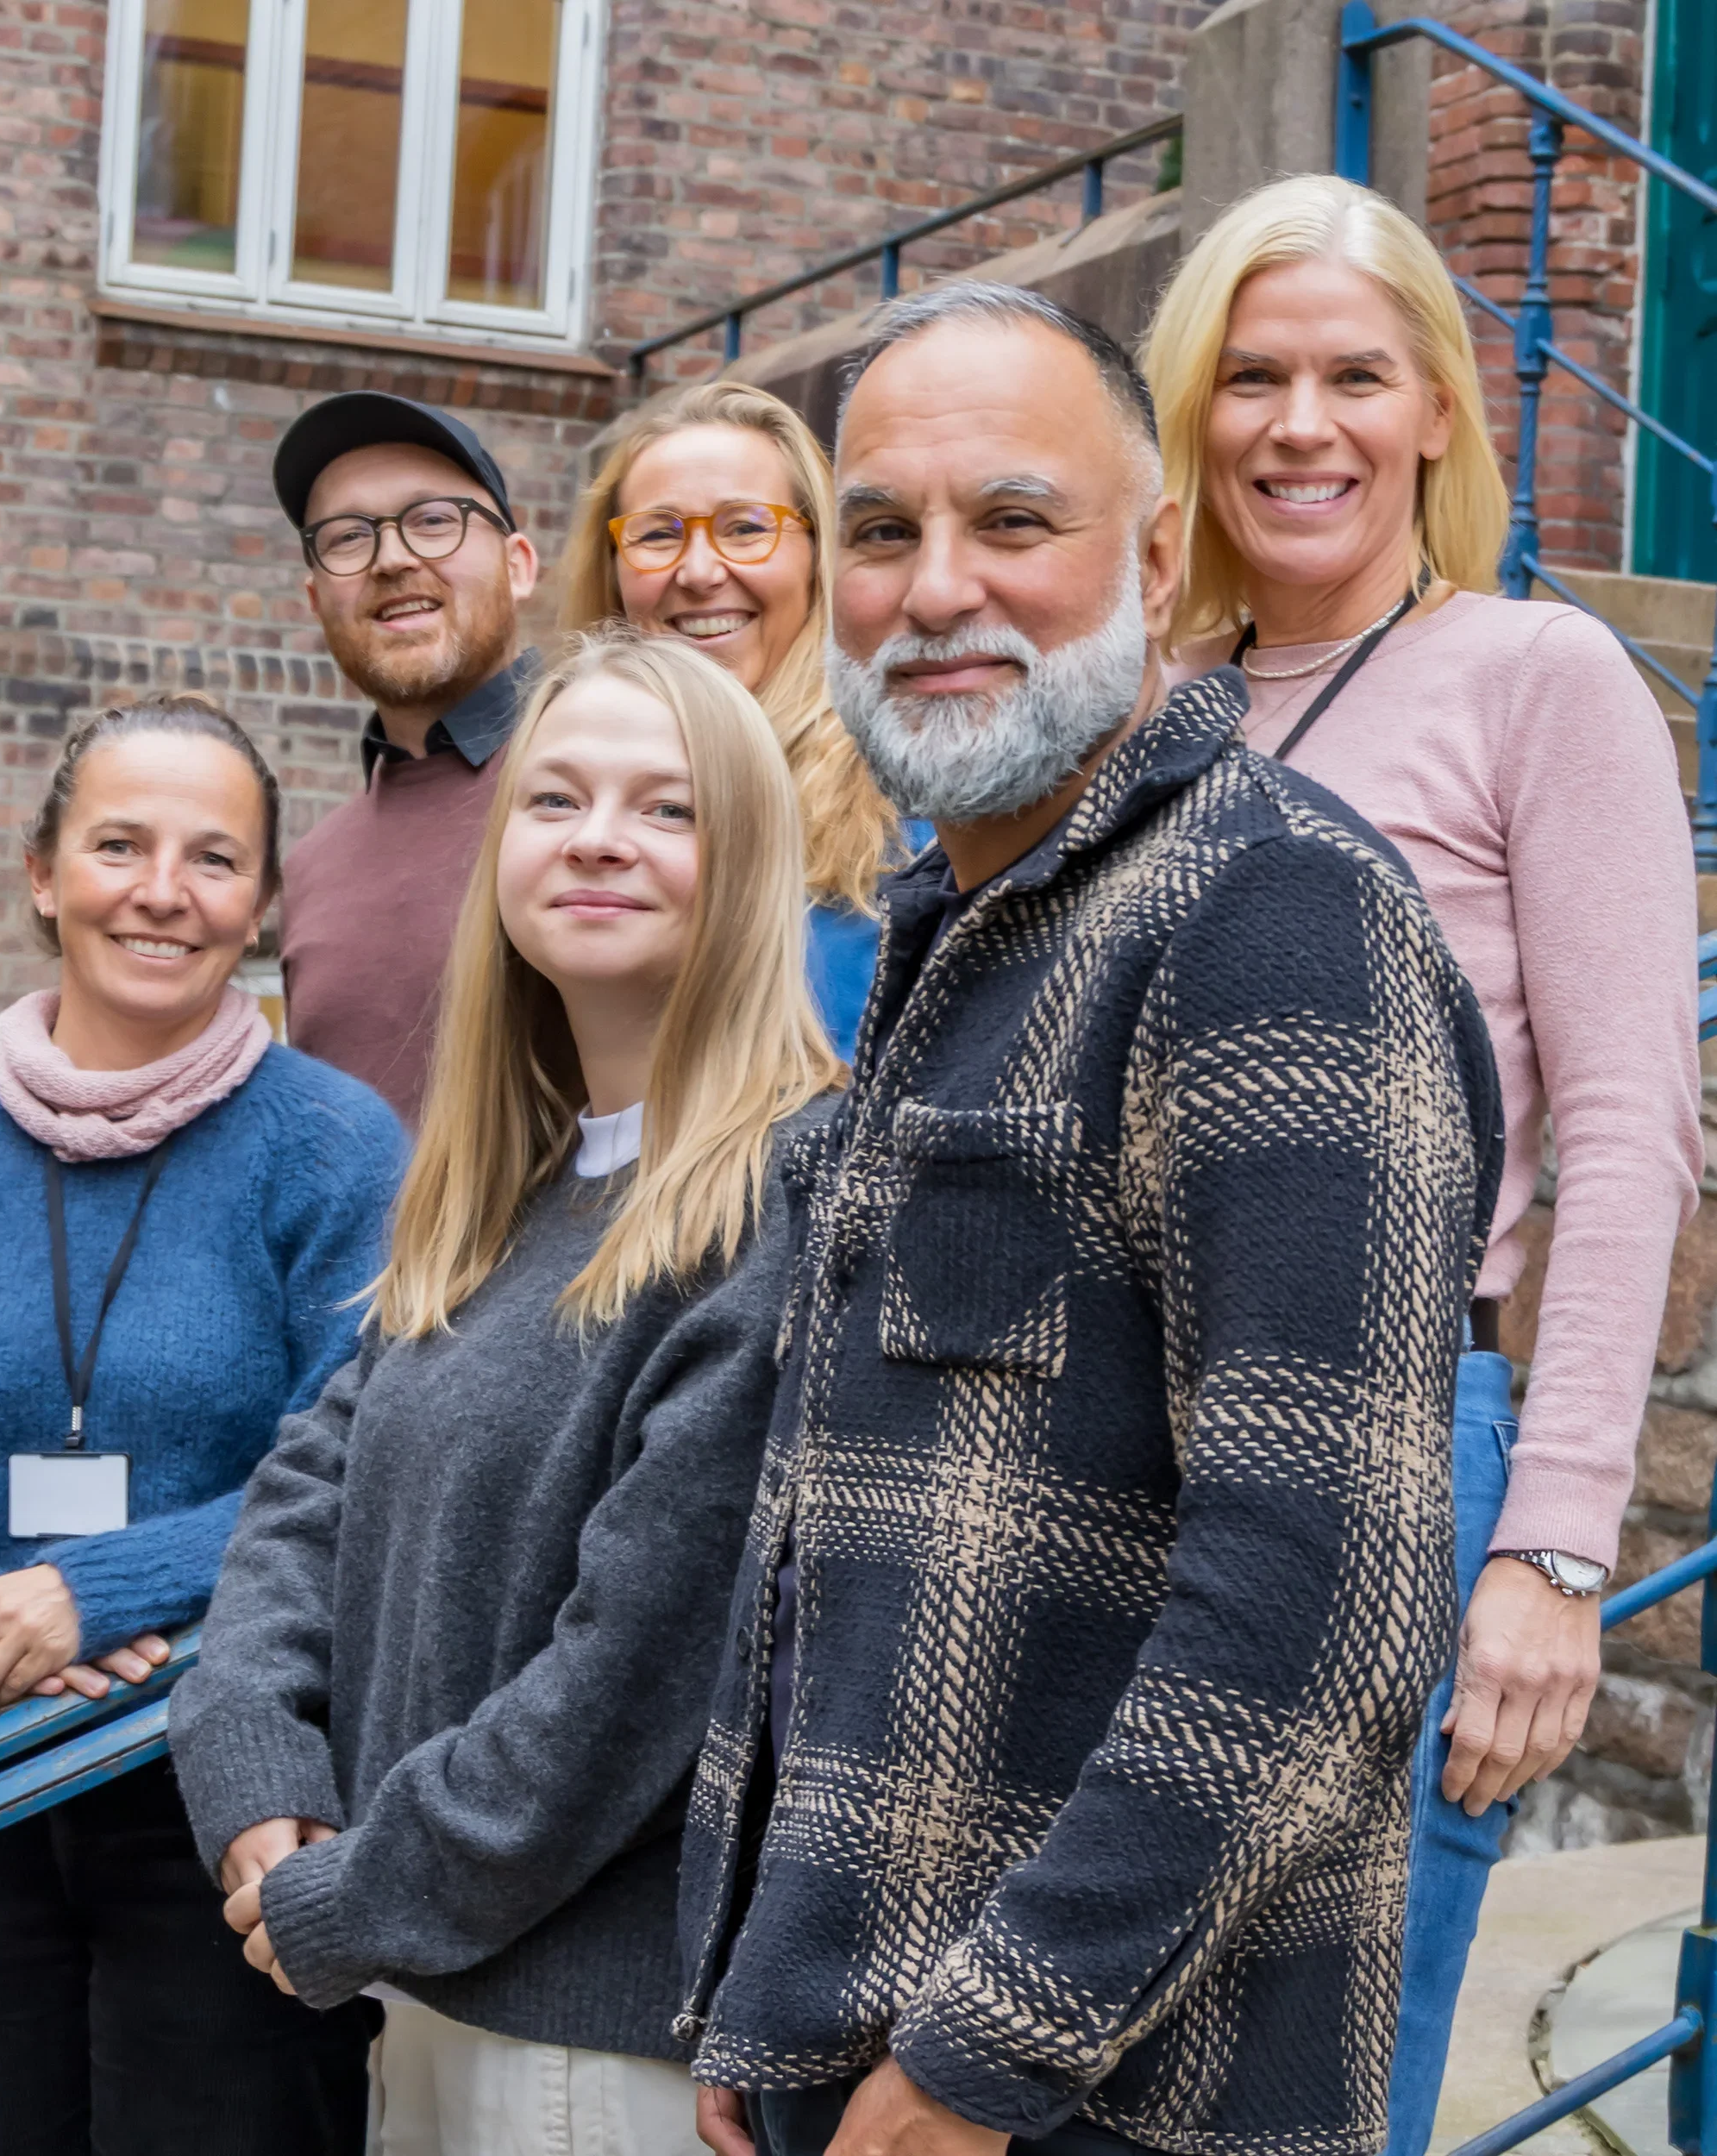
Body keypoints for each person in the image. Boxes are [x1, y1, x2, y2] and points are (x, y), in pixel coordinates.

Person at [678, 283, 1501, 2156]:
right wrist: (762, 1969)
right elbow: (845, 1549)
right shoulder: (943, 928)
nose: (934, 585)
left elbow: (1326, 1601)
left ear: (1146, 551)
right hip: (867, 2049)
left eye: (1011, 520)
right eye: (880, 530)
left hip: (1100, 2098)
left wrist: (990, 2044)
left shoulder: (1268, 911)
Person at [1141, 174, 1702, 2154]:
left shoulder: (1539, 681)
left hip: (1399, 1431)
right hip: (1115, 1422)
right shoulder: (1148, 704)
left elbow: (1633, 1141)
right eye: (1254, 376)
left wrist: (1554, 1556)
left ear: (1441, 413)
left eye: (1354, 376)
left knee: (1319, 2063)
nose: (1301, 424)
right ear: (1192, 415)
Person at [168, 630, 841, 2156]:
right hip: (434, 2002)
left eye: (666, 809)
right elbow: (303, 1500)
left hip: (599, 2054)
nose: (599, 837)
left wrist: (356, 1891)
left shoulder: (787, 1191)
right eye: (555, 800)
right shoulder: (500, 1191)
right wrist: (257, 1763)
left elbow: (634, 1677)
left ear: (746, 860)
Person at [0, 693, 408, 2156]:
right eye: (120, 845)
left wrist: (97, 1591)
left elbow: (347, 1457)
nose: (163, 893)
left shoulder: (336, 1147)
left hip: (215, 1777)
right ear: (44, 872)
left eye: (214, 858)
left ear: (259, 906)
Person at [561, 379, 926, 1051]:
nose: (699, 571)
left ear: (820, 555)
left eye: (746, 528)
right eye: (657, 534)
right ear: (611, 569)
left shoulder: (908, 813)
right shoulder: (563, 815)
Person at [273, 390, 542, 1125]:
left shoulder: (614, 780)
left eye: (432, 521)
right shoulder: (312, 866)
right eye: (348, 537)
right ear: (316, 597)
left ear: (519, 566)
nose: (392, 558)